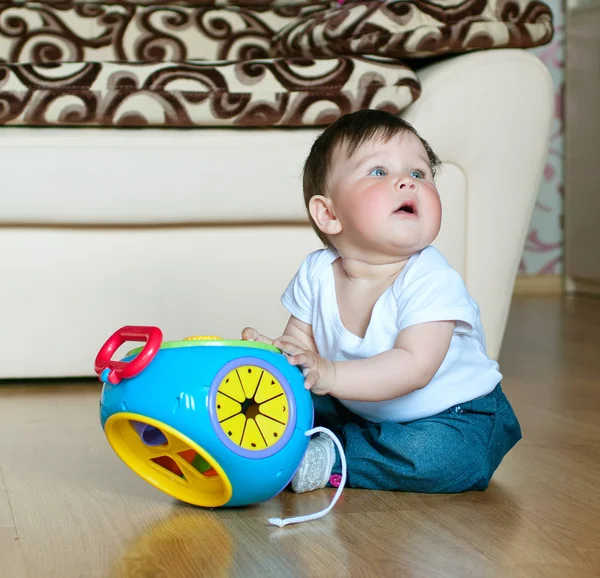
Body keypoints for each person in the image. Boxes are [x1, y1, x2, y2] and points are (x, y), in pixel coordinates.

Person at [242, 109, 522, 494]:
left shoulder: (431, 278)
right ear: (329, 213)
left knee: (439, 457)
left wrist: (331, 375)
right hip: (361, 405)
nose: (408, 182)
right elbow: (302, 345)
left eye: (420, 173)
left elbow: (414, 368)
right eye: (379, 172)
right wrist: (278, 358)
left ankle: (332, 458)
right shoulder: (317, 272)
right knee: (293, 396)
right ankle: (255, 438)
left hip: (453, 416)